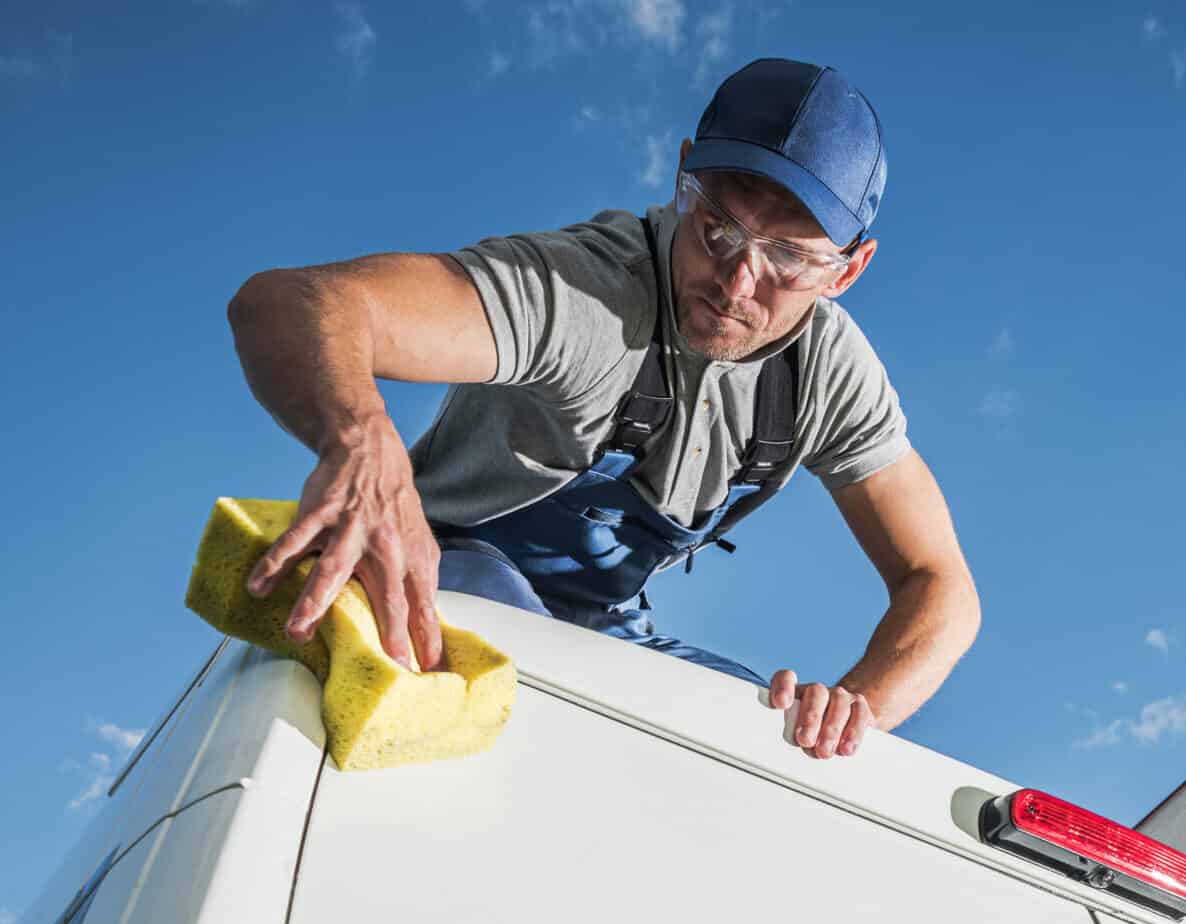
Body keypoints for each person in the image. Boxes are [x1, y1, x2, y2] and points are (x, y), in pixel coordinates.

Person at [228, 57, 980, 761]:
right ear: (684, 173)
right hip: (454, 569)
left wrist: (856, 712)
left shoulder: (828, 374)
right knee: (493, 650)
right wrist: (361, 447)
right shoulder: (583, 294)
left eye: (787, 256)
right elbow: (292, 303)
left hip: (611, 626)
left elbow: (939, 585)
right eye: (718, 226)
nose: (737, 281)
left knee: (757, 750)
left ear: (849, 268)